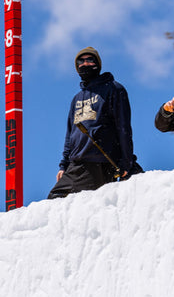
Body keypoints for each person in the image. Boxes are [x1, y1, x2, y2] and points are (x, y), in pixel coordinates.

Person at [48, 47, 138, 199]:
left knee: (77, 207)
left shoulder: (114, 89)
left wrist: (126, 162)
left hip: (99, 162)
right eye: (80, 61)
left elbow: (123, 127)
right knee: (54, 205)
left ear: (98, 64)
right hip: (76, 165)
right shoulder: (76, 99)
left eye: (90, 60)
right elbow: (70, 135)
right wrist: (64, 166)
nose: (85, 64)